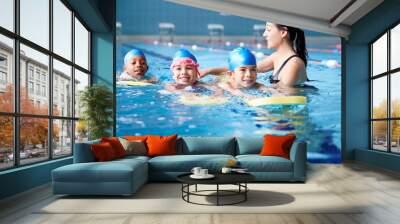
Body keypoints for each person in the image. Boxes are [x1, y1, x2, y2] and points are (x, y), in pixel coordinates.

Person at [200, 22, 309, 89]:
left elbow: (278, 94)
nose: (264, 34)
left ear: (283, 33)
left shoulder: (293, 65)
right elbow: (241, 68)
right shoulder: (276, 57)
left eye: (268, 29)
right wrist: (208, 71)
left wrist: (233, 89)